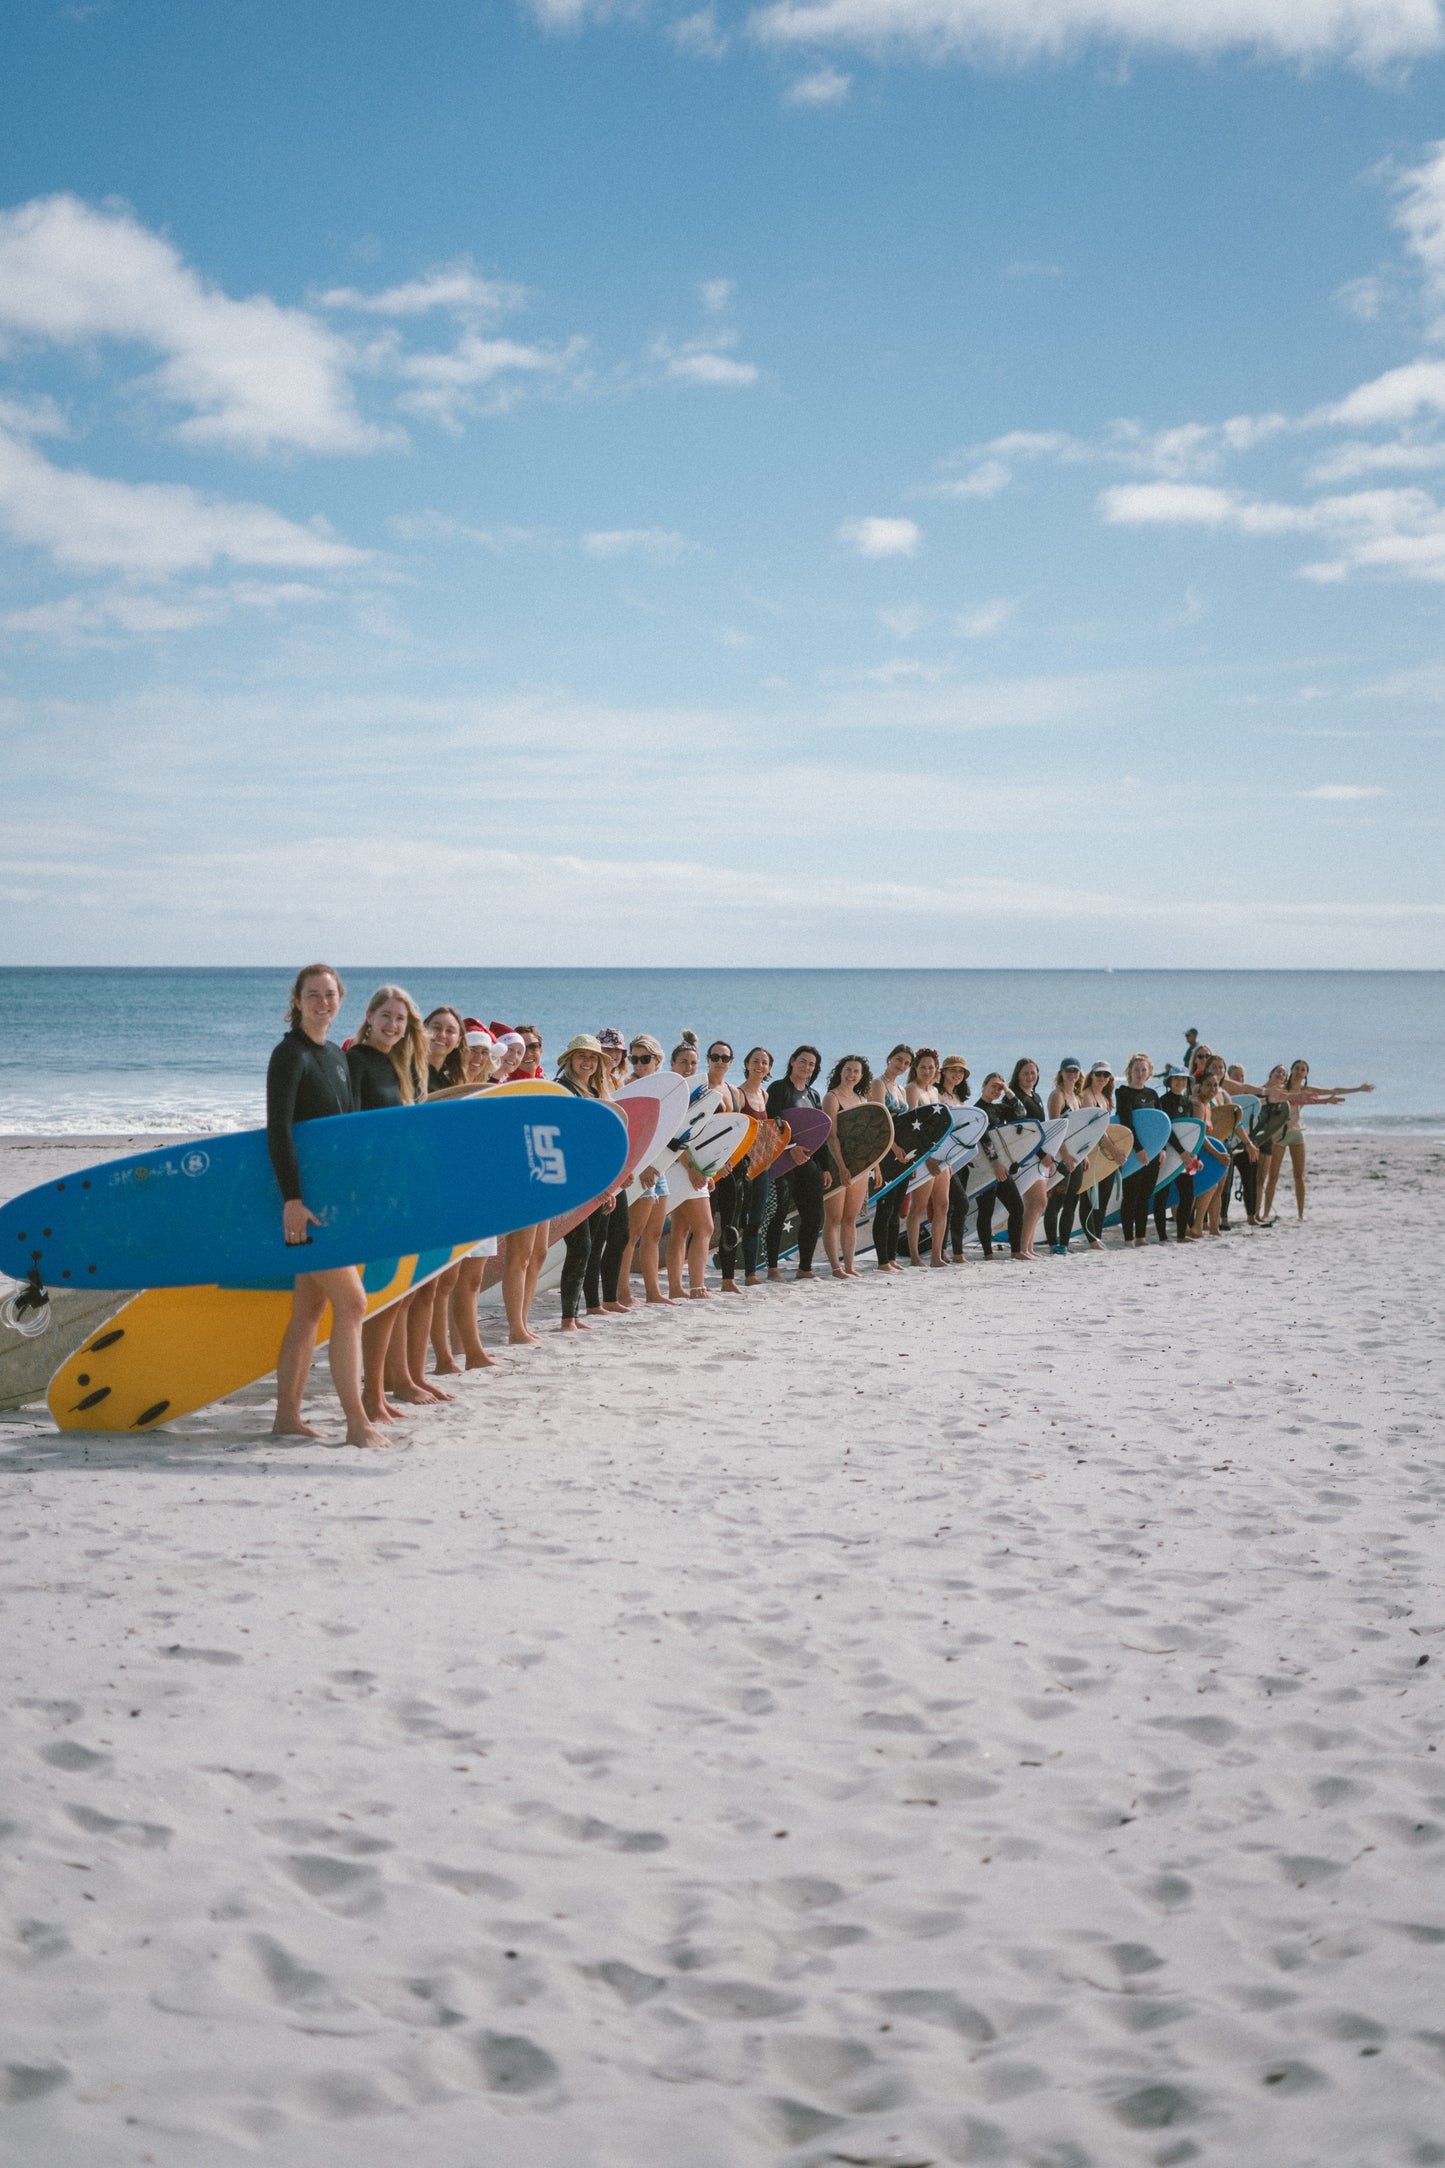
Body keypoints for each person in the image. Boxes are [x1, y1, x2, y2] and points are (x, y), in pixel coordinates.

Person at [266, 963, 387, 1450]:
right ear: (297, 1000)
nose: (322, 1002)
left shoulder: (337, 1056)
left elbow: (344, 1136)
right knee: (353, 1302)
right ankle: (357, 1423)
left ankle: (286, 1418)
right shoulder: (289, 1054)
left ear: (341, 1001)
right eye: (313, 994)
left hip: (336, 1205)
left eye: (330, 994)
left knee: (309, 1310)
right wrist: (292, 1199)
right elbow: (279, 1130)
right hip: (308, 1207)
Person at [346, 984, 432, 1421]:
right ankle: (370, 1396)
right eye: (386, 1016)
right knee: (381, 1292)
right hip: (373, 1194)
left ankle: (383, 1389)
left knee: (397, 1292)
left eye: (401, 1019)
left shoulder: (402, 1066)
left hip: (400, 1191)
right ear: (369, 1016)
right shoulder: (357, 1061)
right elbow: (351, 1129)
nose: (393, 1025)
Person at [444, 1021, 500, 1368]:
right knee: (445, 1281)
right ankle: (448, 1355)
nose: (478, 1057)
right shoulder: (448, 1088)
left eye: (483, 1051)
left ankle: (470, 1348)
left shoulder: (490, 1089)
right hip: (454, 1194)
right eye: (472, 1050)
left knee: (474, 1278)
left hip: (483, 1193)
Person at [1260, 1058, 1374, 1222]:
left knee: (1299, 1175)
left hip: (1296, 1133)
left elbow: (1333, 1090)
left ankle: (1300, 1213)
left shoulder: (1307, 1090)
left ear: (1306, 1074)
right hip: (1280, 1134)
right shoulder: (1282, 1089)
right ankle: (1265, 1213)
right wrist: (1324, 1101)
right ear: (1292, 1071)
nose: (1299, 1072)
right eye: (1297, 1068)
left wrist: (1358, 1089)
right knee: (1273, 1176)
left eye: (1303, 1069)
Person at [554, 1034, 614, 1331]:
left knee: (592, 1246)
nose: (587, 1062)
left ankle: (581, 1311)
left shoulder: (594, 1091)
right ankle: (568, 1318)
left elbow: (602, 1143)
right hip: (573, 1181)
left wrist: (609, 1184)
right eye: (582, 1057)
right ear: (569, 1060)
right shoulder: (563, 1090)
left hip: (596, 1181)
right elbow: (568, 1143)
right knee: (580, 1246)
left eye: (592, 1057)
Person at [616, 1034, 671, 1307]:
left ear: (657, 1060)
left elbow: (671, 1133)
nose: (639, 1064)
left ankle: (653, 1292)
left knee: (654, 1234)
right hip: (640, 1169)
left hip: (661, 1168)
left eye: (645, 1059)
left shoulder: (667, 1090)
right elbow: (629, 1137)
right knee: (632, 1235)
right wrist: (646, 1166)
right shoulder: (630, 1090)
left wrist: (658, 1165)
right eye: (634, 1059)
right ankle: (623, 1292)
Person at [766, 1045, 830, 1280]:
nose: (806, 1067)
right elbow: (773, 1123)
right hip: (783, 1161)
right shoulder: (779, 1088)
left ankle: (804, 1268)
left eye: (811, 1064)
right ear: (792, 1061)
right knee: (779, 1213)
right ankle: (773, 1268)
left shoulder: (813, 1095)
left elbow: (820, 1132)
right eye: (802, 1061)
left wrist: (825, 1167)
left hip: (808, 1162)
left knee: (814, 1215)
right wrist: (790, 1148)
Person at [665, 1034, 715, 1299]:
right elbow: (673, 1136)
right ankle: (697, 1287)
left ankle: (677, 1288)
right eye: (683, 1062)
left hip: (693, 1166)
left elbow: (701, 1137)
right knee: (705, 1228)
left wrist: (708, 1169)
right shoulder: (674, 1093)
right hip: (679, 1166)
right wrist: (694, 1170)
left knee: (680, 1229)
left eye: (693, 1063)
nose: (688, 1067)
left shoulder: (698, 1093)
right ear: (672, 1064)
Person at [822, 1054, 873, 1277]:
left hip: (860, 1166)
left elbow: (870, 1138)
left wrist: (875, 1166)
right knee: (833, 1217)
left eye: (856, 1071)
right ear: (840, 1071)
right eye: (848, 1069)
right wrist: (841, 1167)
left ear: (861, 1076)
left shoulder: (863, 1100)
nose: (851, 1074)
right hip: (837, 1163)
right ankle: (835, 1267)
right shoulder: (832, 1098)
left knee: (850, 1218)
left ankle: (850, 1266)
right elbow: (831, 1137)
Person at [902, 1049, 953, 1270]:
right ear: (915, 1068)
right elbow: (912, 1126)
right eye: (923, 1067)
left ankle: (936, 1255)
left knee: (942, 1205)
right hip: (923, 1155)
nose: (927, 1071)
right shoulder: (911, 1090)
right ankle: (915, 1256)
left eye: (931, 1067)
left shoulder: (934, 1091)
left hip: (940, 1153)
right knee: (919, 1206)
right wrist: (928, 1157)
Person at [867, 1044, 915, 1273]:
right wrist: (894, 1148)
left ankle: (892, 1257)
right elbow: (878, 1120)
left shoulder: (902, 1089)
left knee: (897, 1206)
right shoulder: (878, 1084)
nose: (901, 1065)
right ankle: (882, 1260)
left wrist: (910, 1158)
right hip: (886, 1150)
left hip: (902, 1154)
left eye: (906, 1063)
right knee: (885, 1207)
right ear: (889, 1058)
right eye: (898, 1059)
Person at [997, 1058, 1051, 1260]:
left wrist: (1047, 1154)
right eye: (1025, 1073)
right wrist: (1043, 1155)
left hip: (1039, 1156)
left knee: (1036, 1203)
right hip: (1026, 1156)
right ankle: (1021, 1249)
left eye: (1033, 1073)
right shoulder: (1015, 1099)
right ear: (1017, 1075)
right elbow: (1023, 1134)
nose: (1030, 1077)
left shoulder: (1035, 1096)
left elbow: (1042, 1129)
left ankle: (1027, 1247)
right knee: (1037, 1202)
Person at [705, 1039, 747, 1295]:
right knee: (702, 1226)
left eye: (724, 1057)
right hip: (709, 1166)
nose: (719, 1061)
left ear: (731, 1062)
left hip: (733, 1166)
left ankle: (727, 1279)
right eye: (715, 1056)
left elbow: (741, 1129)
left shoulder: (735, 1091)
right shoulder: (700, 1087)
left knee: (731, 1224)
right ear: (708, 1059)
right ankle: (694, 1278)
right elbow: (697, 1131)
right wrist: (712, 1166)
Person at [1115, 1053, 1163, 1248]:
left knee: (1145, 1195)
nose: (1140, 1073)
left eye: (1144, 1070)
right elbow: (1127, 1123)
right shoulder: (1123, 1093)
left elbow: (1161, 1125)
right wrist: (1139, 1149)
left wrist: (1162, 1149)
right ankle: (1128, 1238)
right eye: (1136, 1069)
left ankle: (1141, 1237)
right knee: (1131, 1196)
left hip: (1152, 1153)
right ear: (1129, 1072)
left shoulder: (1152, 1095)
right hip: (1133, 1152)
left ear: (1149, 1072)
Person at [737, 1046, 775, 1287]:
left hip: (761, 1165)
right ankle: (730, 1272)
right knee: (736, 1219)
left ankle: (750, 1274)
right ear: (747, 1064)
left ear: (769, 1068)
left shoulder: (765, 1096)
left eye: (764, 1062)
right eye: (755, 1061)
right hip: (741, 1165)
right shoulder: (738, 1094)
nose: (759, 1066)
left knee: (756, 1219)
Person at [1043, 1057, 1085, 1256]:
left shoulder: (1077, 1098)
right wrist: (1066, 1155)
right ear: (1061, 1073)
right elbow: (1055, 1128)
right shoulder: (1057, 1095)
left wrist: (1083, 1154)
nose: (1072, 1074)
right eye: (1068, 1070)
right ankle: (1053, 1243)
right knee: (1056, 1201)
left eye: (1075, 1071)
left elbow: (1082, 1131)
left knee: (1072, 1201)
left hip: (1075, 1157)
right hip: (1061, 1157)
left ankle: (1064, 1243)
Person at [1153, 1064, 1197, 1246]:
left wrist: (1194, 1156)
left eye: (1183, 1079)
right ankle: (1162, 1236)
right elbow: (1167, 1130)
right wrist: (1181, 1152)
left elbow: (1193, 1132)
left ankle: (1181, 1233)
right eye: (1176, 1078)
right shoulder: (1163, 1101)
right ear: (1170, 1081)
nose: (1180, 1082)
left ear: (1187, 1082)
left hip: (1185, 1156)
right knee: (1162, 1195)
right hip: (1168, 1154)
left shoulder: (1188, 1103)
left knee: (1188, 1194)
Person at [1076, 1061, 1118, 1250]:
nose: (1102, 1078)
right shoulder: (1087, 1096)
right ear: (1091, 1075)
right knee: (1089, 1196)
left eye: (1105, 1075)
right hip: (1091, 1152)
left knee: (1104, 1195)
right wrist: (1115, 1151)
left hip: (1103, 1153)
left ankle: (1097, 1236)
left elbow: (1109, 1129)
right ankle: (1092, 1238)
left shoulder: (1105, 1097)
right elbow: (1095, 1130)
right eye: (1098, 1074)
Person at [937, 1055, 973, 1263]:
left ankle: (953, 1251)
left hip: (961, 1157)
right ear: (943, 1072)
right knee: (959, 1203)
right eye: (953, 1070)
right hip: (945, 1156)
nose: (957, 1075)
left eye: (961, 1072)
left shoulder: (960, 1098)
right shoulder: (937, 1095)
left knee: (952, 1205)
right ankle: (948, 1250)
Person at [972, 1071, 1011, 1258]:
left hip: (1000, 1165)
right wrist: (995, 1163)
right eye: (993, 1086)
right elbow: (984, 1138)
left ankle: (1018, 1251)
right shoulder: (978, 1110)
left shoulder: (999, 1108)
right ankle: (988, 1253)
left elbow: (1021, 1112)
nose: (996, 1090)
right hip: (986, 1167)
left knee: (1017, 1207)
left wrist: (1008, 1090)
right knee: (986, 1210)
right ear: (983, 1086)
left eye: (999, 1087)